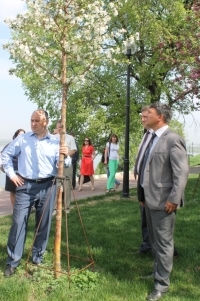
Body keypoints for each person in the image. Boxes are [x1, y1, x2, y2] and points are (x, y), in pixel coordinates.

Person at [1, 109, 69, 277]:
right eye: (31, 120)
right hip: (25, 186)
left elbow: (63, 164)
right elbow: (5, 156)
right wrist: (12, 174)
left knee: (43, 223)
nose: (33, 123)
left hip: (48, 186)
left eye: (36, 121)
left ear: (45, 122)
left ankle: (37, 258)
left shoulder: (55, 142)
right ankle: (12, 261)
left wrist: (66, 156)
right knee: (18, 223)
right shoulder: (22, 140)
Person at [137, 102, 189, 300]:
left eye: (148, 113)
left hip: (164, 202)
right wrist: (143, 196)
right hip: (149, 200)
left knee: (164, 243)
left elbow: (182, 172)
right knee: (155, 242)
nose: (144, 115)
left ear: (160, 117)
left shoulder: (172, 139)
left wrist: (174, 199)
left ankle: (161, 285)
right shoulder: (152, 137)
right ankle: (158, 272)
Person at [134, 106, 152, 254]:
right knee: (144, 219)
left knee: (157, 224)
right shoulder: (146, 135)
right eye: (142, 117)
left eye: (145, 117)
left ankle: (166, 251)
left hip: (155, 188)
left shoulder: (159, 138)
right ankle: (147, 245)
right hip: (143, 184)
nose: (142, 119)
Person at [55, 120, 77, 210]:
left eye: (62, 126)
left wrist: (66, 154)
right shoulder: (53, 138)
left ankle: (67, 207)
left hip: (66, 164)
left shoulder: (70, 138)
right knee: (56, 185)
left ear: (65, 127)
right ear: (56, 128)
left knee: (67, 186)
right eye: (59, 127)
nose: (60, 128)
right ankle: (55, 208)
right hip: (55, 165)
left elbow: (74, 149)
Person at [2, 129, 26, 207]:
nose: (21, 137)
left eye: (23, 135)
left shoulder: (26, 147)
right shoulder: (10, 145)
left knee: (23, 192)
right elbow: (2, 156)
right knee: (13, 191)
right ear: (15, 136)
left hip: (23, 173)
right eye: (19, 135)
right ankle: (14, 209)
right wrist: (3, 168)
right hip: (12, 172)